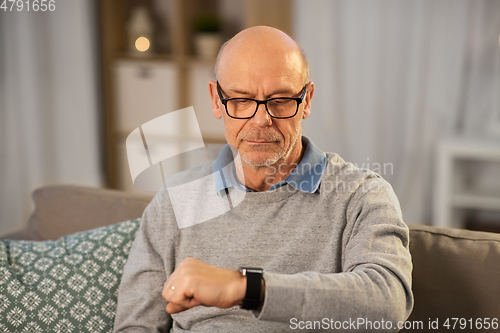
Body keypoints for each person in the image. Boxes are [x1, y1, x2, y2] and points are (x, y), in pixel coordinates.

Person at [113, 26, 413, 332]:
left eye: (280, 100)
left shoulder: (361, 195)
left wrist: (246, 288)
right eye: (241, 100)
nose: (261, 119)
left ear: (306, 100)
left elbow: (389, 303)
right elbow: (135, 326)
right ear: (216, 101)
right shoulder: (175, 199)